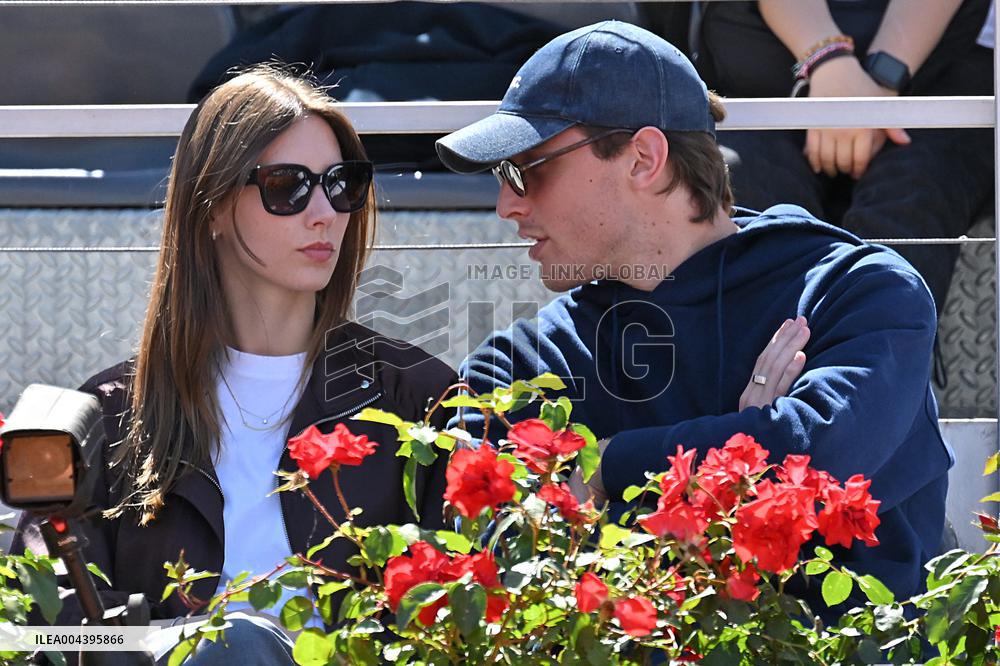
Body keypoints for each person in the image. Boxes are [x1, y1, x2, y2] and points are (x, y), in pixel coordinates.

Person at [435, 21, 949, 614]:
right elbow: (493, 543)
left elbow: (820, 458)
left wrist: (603, 470)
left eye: (527, 169)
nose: (506, 205)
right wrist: (748, 445)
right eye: (502, 176)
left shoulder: (858, 292)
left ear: (644, 158)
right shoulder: (525, 363)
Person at [12, 65, 455, 662]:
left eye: (342, 184)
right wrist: (172, 642)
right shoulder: (115, 416)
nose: (324, 212)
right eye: (287, 186)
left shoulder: (419, 399)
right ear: (213, 207)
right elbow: (42, 631)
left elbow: (465, 611)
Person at [696, 0, 994, 318]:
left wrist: (878, 81)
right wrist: (831, 64)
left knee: (913, 197)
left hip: (934, 88)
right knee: (749, 200)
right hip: (762, 84)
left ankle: (877, 356)